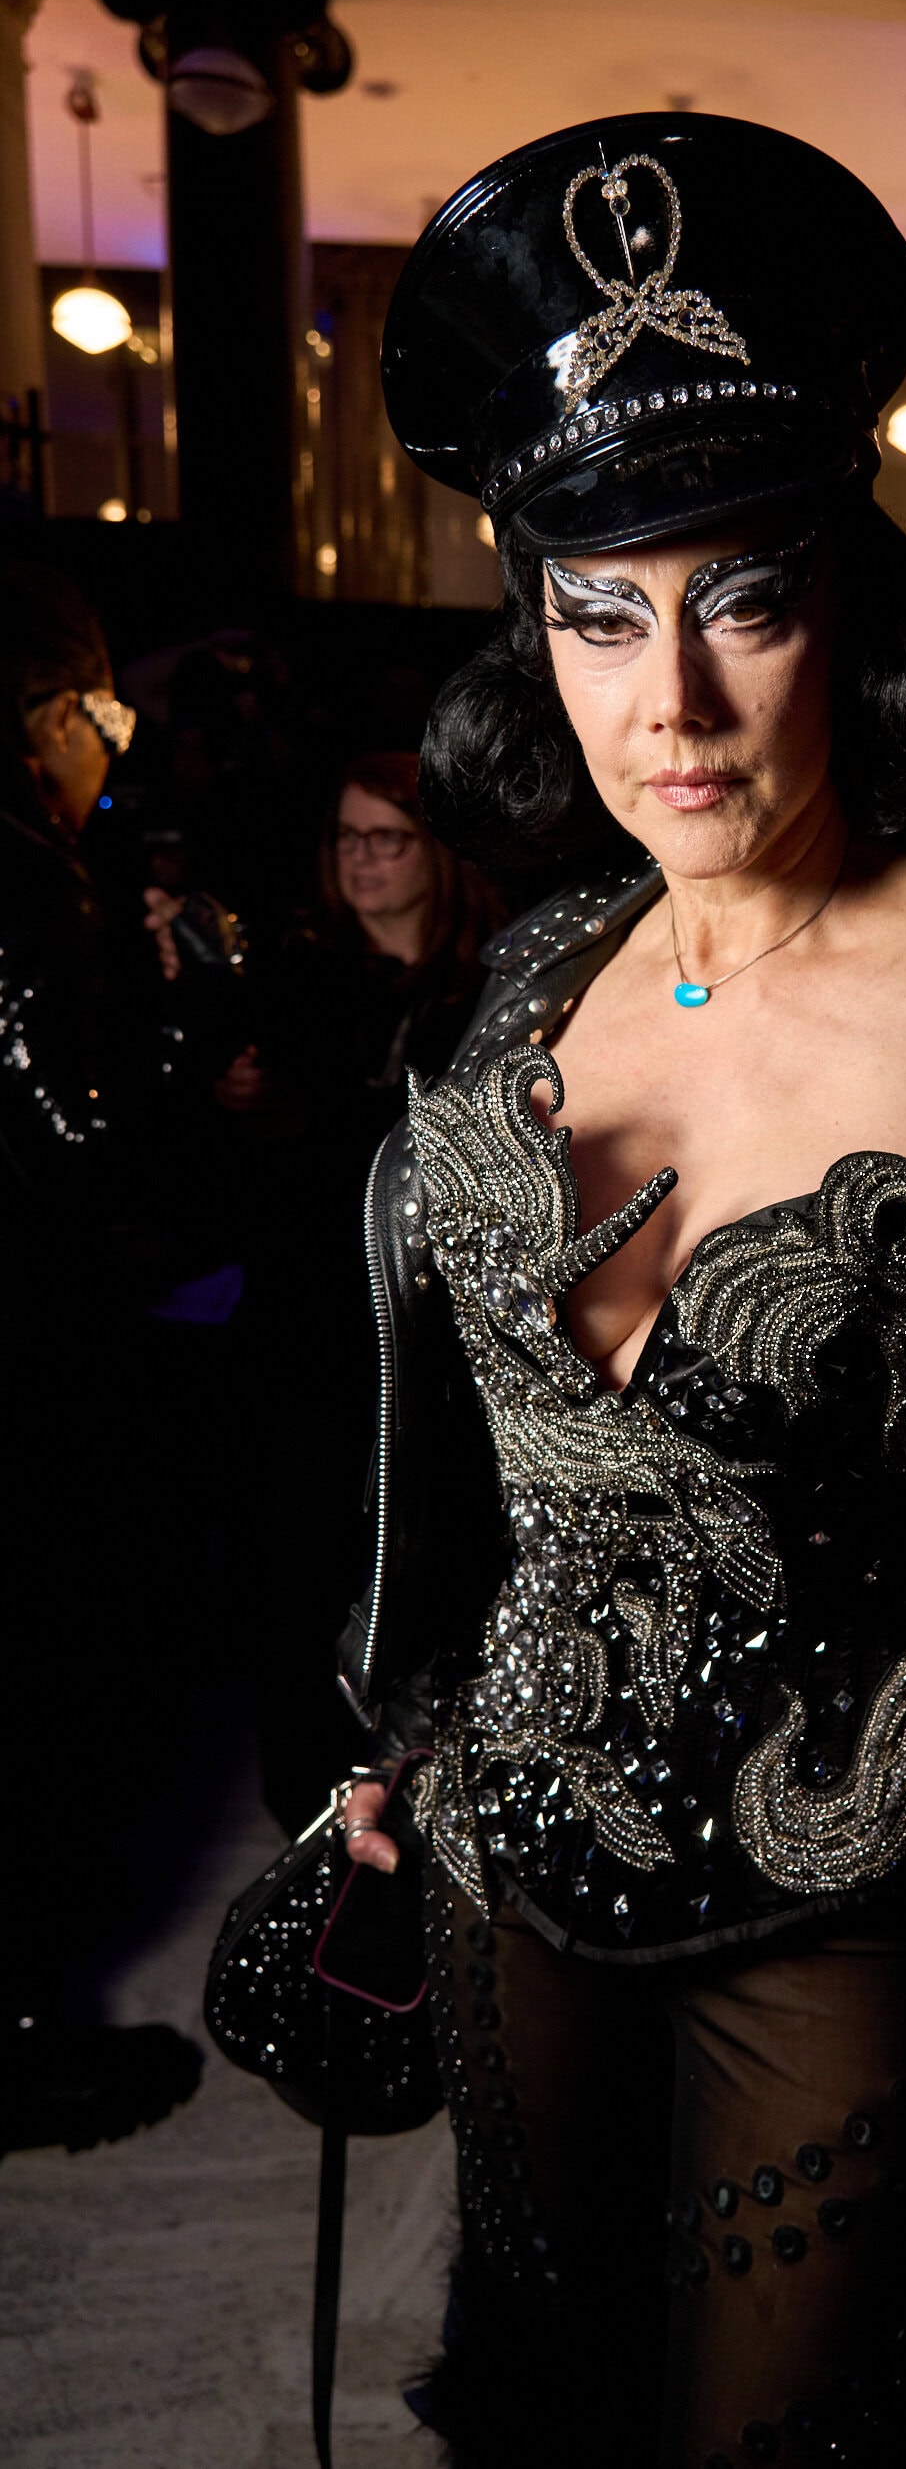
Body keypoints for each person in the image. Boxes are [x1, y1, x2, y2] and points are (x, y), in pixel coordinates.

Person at [326, 114, 906, 2466]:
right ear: (531, 621)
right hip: (504, 1846)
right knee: (540, 2407)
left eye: (739, 601)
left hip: (847, 1891)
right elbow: (442, 1423)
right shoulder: (533, 970)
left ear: (850, 597)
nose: (674, 706)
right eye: (599, 614)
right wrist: (390, 1723)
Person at [148, 753, 502, 1830]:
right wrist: (231, 1081)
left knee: (430, 1563)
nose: (361, 859)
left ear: (435, 852)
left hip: (435, 1332)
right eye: (347, 837)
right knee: (294, 1570)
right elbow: (225, 1143)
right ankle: (305, 1817)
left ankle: (428, 1804)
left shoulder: (490, 985)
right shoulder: (302, 969)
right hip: (306, 1322)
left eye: (385, 837)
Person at [0, 563, 202, 2151]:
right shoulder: (24, 876)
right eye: (108, 720)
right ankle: (20, 2046)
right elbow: (73, 1141)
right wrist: (183, 1023)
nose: (113, 751)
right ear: (52, 717)